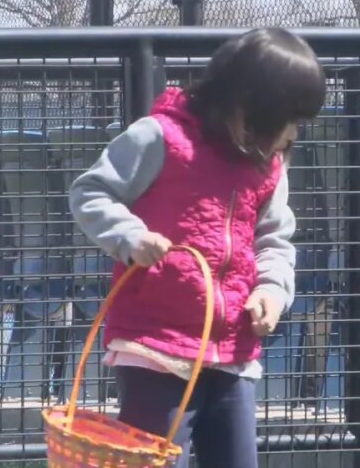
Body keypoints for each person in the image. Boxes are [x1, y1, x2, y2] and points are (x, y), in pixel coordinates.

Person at [69, 28, 326, 468]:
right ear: (250, 105)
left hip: (232, 352)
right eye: (288, 120)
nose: (291, 136)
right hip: (155, 346)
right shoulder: (159, 138)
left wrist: (271, 290)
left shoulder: (266, 164)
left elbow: (274, 238)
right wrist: (130, 235)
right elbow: (91, 192)